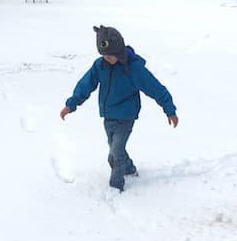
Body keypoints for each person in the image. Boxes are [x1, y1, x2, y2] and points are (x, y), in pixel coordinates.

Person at [60, 26, 178, 192]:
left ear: (119, 51)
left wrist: (169, 109)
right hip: (108, 117)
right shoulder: (100, 66)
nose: (107, 58)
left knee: (115, 153)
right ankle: (130, 169)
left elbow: (155, 88)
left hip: (126, 116)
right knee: (115, 150)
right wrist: (71, 104)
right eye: (104, 55)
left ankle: (116, 187)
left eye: (110, 55)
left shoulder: (134, 69)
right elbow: (85, 85)